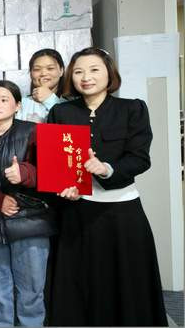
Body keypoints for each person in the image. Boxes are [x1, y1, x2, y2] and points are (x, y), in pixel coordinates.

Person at [47, 47, 167, 326]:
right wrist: (64, 188)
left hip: (122, 213)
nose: (85, 77)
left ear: (109, 73)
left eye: (94, 70)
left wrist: (106, 169)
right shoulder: (61, 112)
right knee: (79, 283)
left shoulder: (132, 109)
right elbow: (55, 162)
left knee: (127, 283)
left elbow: (140, 159)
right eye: (78, 72)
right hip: (77, 213)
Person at [0, 80, 55, 327]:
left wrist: (24, 173)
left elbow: (51, 170)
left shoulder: (33, 131)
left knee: (31, 290)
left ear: (17, 105)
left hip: (29, 221)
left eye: (4, 99)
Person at [16, 48, 65, 123]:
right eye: (37, 69)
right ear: (31, 73)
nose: (43, 73)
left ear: (61, 71)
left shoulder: (72, 104)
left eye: (50, 68)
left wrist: (50, 99)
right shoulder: (21, 104)